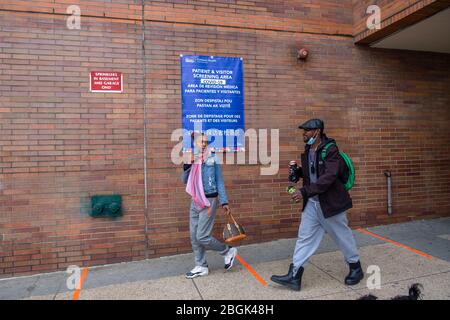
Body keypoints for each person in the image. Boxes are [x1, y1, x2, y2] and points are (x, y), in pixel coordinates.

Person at [271, 119, 363, 291]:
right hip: (312, 204)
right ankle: (294, 276)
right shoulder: (308, 150)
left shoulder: (330, 150)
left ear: (317, 131)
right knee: (304, 237)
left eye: (307, 130)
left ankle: (356, 268)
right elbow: (311, 174)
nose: (304, 134)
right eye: (303, 131)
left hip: (330, 203)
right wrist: (297, 173)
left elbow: (328, 177)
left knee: (342, 236)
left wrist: (304, 192)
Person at [182, 132, 237, 279]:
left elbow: (219, 180)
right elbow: (184, 180)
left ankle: (227, 251)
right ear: (195, 143)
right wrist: (187, 165)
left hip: (209, 199)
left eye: (206, 141)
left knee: (202, 236)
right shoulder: (191, 158)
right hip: (195, 200)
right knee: (194, 236)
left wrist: (224, 201)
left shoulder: (213, 158)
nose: (204, 144)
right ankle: (201, 266)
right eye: (201, 141)